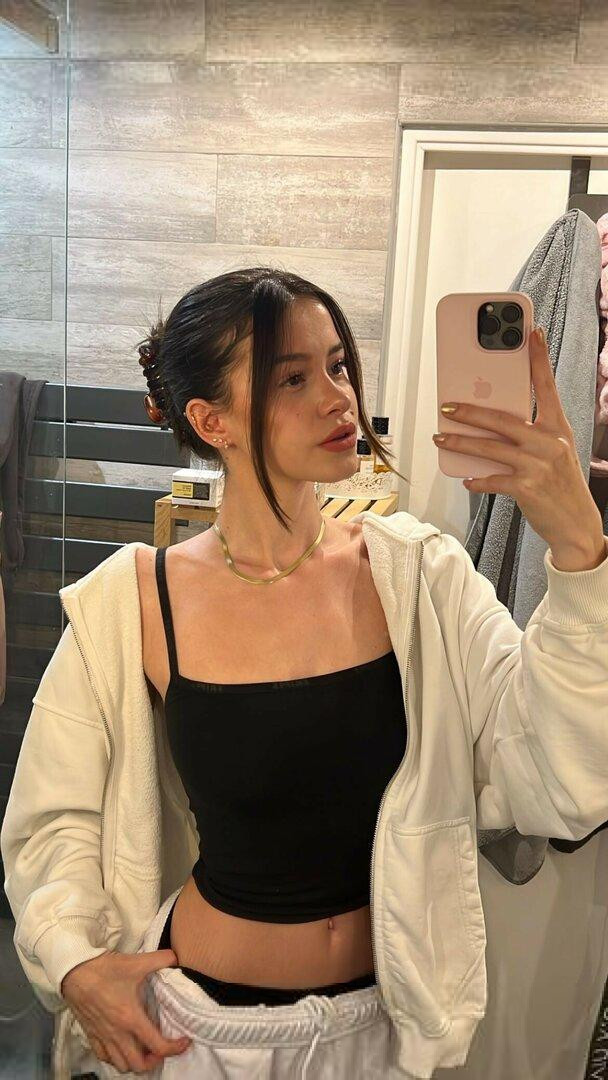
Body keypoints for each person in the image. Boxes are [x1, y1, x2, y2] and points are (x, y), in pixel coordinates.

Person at [3, 267, 608, 1080]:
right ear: (210, 420)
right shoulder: (133, 602)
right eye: (293, 378)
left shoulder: (420, 577)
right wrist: (73, 959)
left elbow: (556, 774)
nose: (338, 398)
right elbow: (54, 816)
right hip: (198, 1033)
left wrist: (580, 552)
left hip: (384, 1030)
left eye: (337, 364)